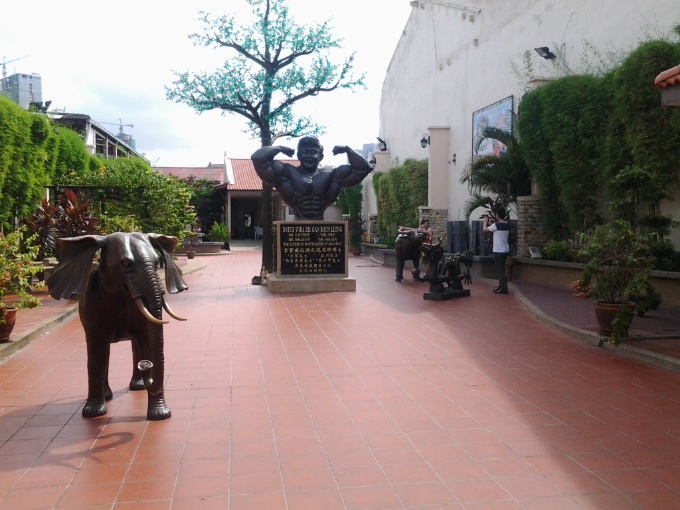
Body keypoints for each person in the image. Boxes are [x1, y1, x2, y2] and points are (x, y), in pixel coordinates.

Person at [251, 136, 373, 220]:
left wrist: (348, 149)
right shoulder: (286, 173)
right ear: (298, 155)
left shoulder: (332, 175)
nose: (309, 156)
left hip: (321, 228)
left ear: (321, 156)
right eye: (304, 152)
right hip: (297, 226)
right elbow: (258, 158)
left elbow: (363, 169)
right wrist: (281, 148)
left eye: (313, 152)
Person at [483, 207, 511, 294]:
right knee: (502, 268)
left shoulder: (496, 225)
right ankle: (501, 285)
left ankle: (504, 287)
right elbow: (496, 227)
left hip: (498, 251)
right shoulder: (507, 225)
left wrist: (485, 222)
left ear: (497, 215)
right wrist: (490, 223)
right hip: (505, 250)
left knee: (500, 270)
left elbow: (485, 230)